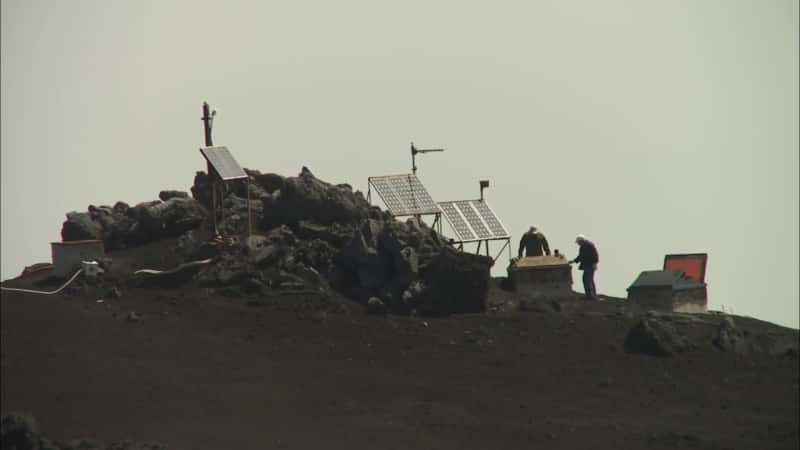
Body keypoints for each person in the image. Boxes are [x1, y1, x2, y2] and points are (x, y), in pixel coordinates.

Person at [570, 234, 599, 300]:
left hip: (589, 265)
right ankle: (592, 295)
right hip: (590, 265)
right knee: (590, 280)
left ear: (581, 241)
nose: (578, 244)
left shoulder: (586, 246)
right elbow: (582, 256)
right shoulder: (588, 245)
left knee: (586, 280)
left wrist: (574, 261)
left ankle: (590, 296)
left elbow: (582, 256)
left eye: (578, 243)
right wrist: (574, 261)